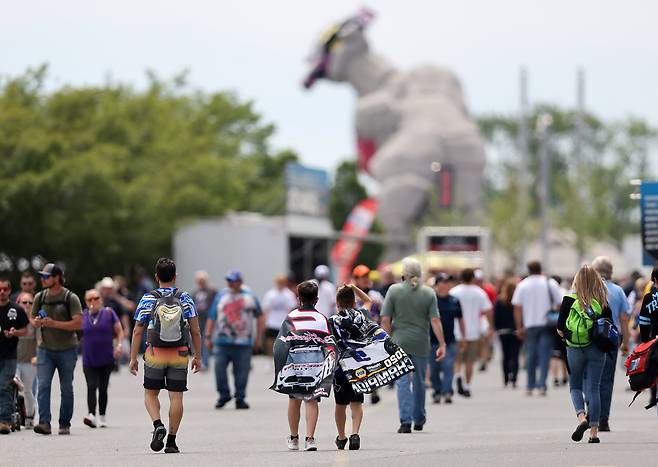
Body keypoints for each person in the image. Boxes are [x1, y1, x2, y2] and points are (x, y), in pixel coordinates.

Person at [129, 257, 202, 454]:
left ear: (156, 277)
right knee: (176, 397)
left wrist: (132, 358)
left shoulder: (148, 298)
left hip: (155, 352)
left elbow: (137, 330)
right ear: (175, 277)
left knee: (150, 394)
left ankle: (157, 424)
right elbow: (195, 330)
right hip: (179, 353)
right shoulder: (185, 297)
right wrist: (198, 356)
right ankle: (171, 441)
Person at [381, 257, 446, 433]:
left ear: (403, 273)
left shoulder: (393, 291)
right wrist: (442, 343)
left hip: (399, 342)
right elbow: (435, 320)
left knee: (402, 382)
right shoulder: (428, 293)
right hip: (421, 343)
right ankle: (419, 418)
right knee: (419, 382)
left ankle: (405, 421)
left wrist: (385, 342)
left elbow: (385, 319)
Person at [557, 265, 612, 444]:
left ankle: (582, 419)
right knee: (594, 388)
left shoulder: (568, 299)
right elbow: (608, 327)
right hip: (596, 348)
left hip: (574, 348)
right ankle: (594, 433)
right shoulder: (602, 301)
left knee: (575, 386)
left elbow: (559, 329)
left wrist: (568, 335)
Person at [31, 263, 82, 435]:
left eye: (46, 276)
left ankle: (64, 423)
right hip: (45, 349)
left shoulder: (70, 297)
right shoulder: (40, 297)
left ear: (57, 278)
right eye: (42, 276)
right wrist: (37, 322)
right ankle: (44, 422)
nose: (42, 279)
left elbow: (78, 323)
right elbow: (32, 318)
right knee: (43, 385)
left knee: (66, 387)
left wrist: (54, 324)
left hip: (67, 348)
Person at [205, 270, 264, 410]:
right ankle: (223, 394)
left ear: (240, 282)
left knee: (242, 372)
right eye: (229, 281)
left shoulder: (250, 297)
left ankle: (240, 397)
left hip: (243, 342)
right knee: (219, 369)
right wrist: (208, 336)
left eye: (234, 281)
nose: (231, 284)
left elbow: (260, 317)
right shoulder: (221, 296)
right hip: (221, 341)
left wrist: (258, 338)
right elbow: (212, 317)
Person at [283, 280, 328, 451]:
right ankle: (310, 439)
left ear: (298, 298)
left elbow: (281, 344)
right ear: (316, 300)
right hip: (315, 367)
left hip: (293, 366)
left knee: (294, 400)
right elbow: (329, 344)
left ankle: (294, 438)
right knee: (311, 401)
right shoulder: (322, 319)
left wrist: (281, 366)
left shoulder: (291, 318)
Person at [330, 284, 373, 450]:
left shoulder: (333, 320)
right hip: (358, 366)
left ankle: (342, 437)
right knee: (356, 402)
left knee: (340, 404)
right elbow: (368, 300)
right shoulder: (362, 315)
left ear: (337, 303)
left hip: (341, 368)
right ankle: (355, 433)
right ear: (354, 302)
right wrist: (354, 287)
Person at [512, 261, 564, 396]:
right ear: (541, 269)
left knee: (530, 355)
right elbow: (560, 303)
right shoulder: (550, 283)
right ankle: (542, 385)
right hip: (547, 324)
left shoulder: (523, 285)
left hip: (530, 324)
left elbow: (517, 307)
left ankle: (530, 385)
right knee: (545, 355)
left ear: (528, 270)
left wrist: (519, 326)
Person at [592, 257, 630, 432]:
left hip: (590, 339)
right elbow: (624, 318)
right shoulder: (618, 291)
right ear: (610, 271)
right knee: (606, 380)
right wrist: (626, 342)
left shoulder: (588, 289)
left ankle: (590, 415)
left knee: (590, 379)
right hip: (611, 340)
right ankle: (603, 419)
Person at [81, 289, 124, 428]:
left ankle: (102, 415)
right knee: (91, 386)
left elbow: (119, 331)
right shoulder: (83, 315)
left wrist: (119, 346)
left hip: (106, 358)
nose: (94, 301)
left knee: (103, 388)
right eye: (90, 299)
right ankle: (91, 415)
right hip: (89, 358)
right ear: (86, 302)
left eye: (96, 298)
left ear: (101, 299)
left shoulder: (109, 313)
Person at [450, 268, 493, 398]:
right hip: (473, 331)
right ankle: (467, 386)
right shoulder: (479, 292)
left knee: (457, 360)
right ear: (473, 278)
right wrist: (490, 326)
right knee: (470, 361)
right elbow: (488, 310)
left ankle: (457, 376)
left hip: (456, 331)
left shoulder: (454, 292)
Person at [351, 264, 385, 404]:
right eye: (361, 277)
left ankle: (374, 388)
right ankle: (359, 387)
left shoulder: (376, 295)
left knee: (374, 362)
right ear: (355, 279)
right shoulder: (350, 295)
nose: (365, 279)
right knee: (358, 363)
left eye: (366, 276)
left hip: (372, 334)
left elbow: (384, 312)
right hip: (355, 335)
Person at [0, 278, 29, 435]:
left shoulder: (16, 309)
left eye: (5, 289)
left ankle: (4, 421)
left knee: (5, 386)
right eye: (0, 289)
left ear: (10, 291)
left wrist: (14, 333)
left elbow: (25, 330)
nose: (2, 292)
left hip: (9, 355)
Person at [429, 273, 465, 403]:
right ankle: (437, 391)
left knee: (448, 366)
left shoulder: (454, 300)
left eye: (447, 282)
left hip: (449, 340)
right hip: (432, 340)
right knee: (434, 369)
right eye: (443, 282)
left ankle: (447, 391)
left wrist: (463, 337)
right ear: (437, 285)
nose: (446, 285)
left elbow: (461, 320)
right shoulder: (431, 300)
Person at [14, 292, 37, 428]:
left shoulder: (35, 322)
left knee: (28, 390)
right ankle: (12, 412)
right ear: (18, 304)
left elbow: (40, 341)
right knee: (14, 381)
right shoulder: (12, 319)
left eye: (30, 303)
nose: (27, 305)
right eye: (24, 302)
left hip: (29, 361)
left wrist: (38, 356)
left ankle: (29, 414)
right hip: (14, 360)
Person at [494, 278, 521, 387]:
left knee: (505, 355)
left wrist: (497, 328)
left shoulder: (500, 301)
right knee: (515, 355)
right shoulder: (517, 301)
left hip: (503, 331)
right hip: (515, 331)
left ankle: (505, 379)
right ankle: (514, 378)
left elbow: (496, 317)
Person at [262, 274, 297, 357]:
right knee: (270, 340)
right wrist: (265, 321)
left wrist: (290, 322)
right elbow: (266, 309)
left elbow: (291, 309)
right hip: (272, 322)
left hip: (283, 322)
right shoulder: (270, 294)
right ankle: (270, 357)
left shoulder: (289, 294)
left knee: (284, 341)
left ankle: (282, 357)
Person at [191, 270, 218, 370]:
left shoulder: (212, 291)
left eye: (202, 280)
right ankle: (200, 359)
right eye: (199, 281)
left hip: (208, 318)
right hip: (198, 318)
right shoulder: (195, 293)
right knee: (198, 339)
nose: (201, 282)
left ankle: (205, 362)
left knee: (206, 339)